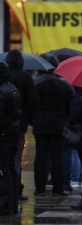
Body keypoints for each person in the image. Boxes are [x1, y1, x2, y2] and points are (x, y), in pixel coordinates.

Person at [32, 56, 74, 196]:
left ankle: (40, 188)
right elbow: (71, 106)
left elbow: (29, 104)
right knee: (58, 156)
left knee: (41, 155)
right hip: (58, 124)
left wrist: (34, 120)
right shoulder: (64, 84)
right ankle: (58, 188)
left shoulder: (35, 83)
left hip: (40, 124)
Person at [6, 49, 36, 202]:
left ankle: (6, 189)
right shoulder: (26, 77)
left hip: (3, 124)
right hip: (19, 124)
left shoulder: (5, 77)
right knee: (16, 158)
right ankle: (16, 190)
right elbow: (31, 102)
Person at [0, 62, 22, 216]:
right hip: (14, 133)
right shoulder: (14, 89)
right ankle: (13, 204)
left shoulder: (1, 91)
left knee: (4, 170)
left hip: (3, 135)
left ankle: (5, 204)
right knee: (12, 169)